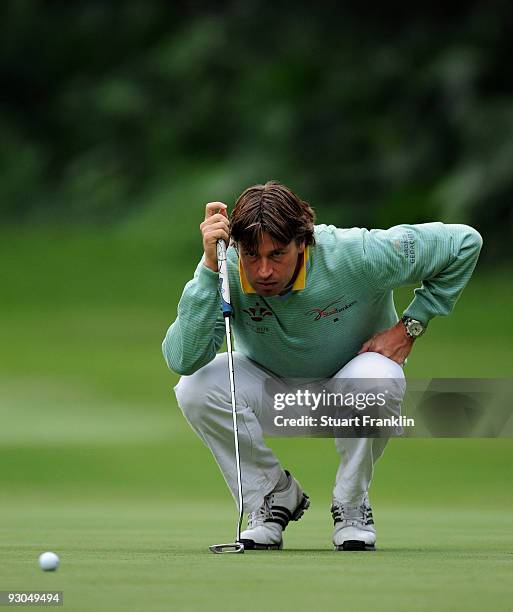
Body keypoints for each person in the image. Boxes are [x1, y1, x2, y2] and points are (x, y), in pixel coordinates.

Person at [162, 181, 482, 551]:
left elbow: (464, 242)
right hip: (274, 392)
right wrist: (208, 268)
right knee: (195, 387)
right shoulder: (226, 267)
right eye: (252, 255)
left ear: (303, 241)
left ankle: (351, 505)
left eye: (277, 254)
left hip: (349, 390)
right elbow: (182, 359)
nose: (263, 270)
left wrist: (410, 326)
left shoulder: (358, 254)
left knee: (379, 378)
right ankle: (271, 497)